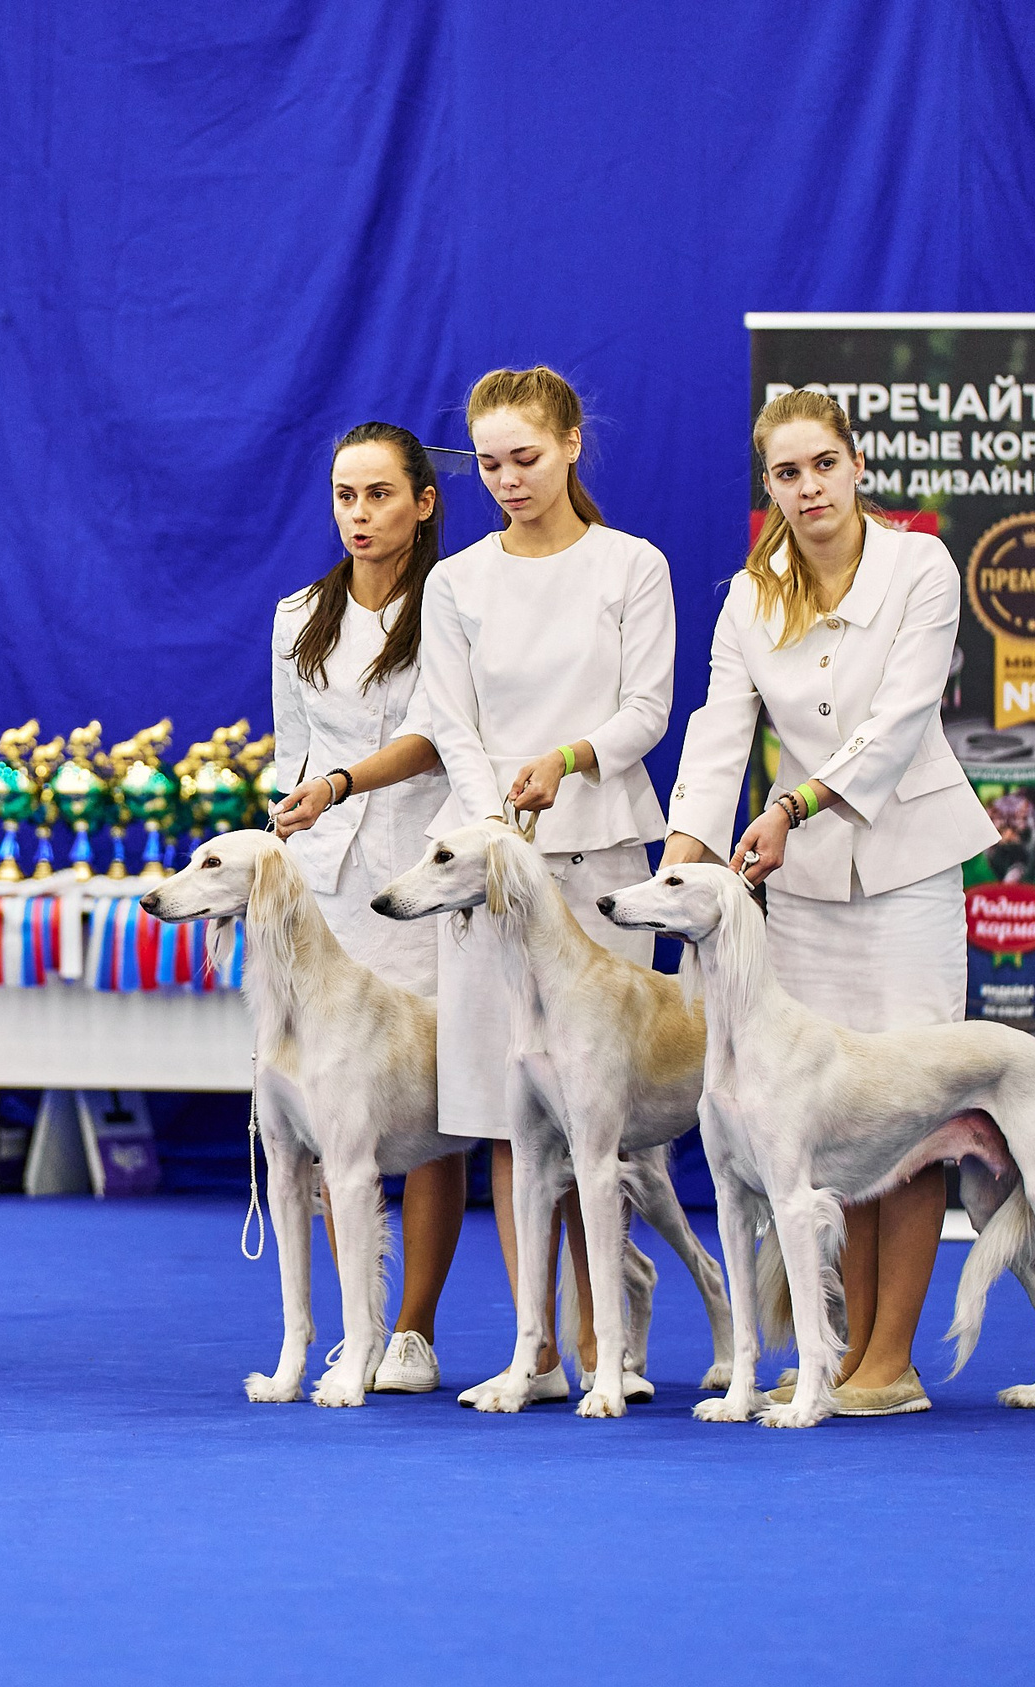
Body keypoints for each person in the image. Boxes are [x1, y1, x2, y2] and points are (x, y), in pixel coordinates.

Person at [277, 368, 674, 1405]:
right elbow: (446, 718)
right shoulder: (457, 584)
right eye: (490, 462)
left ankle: (610, 1347)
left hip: (599, 861)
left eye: (525, 459)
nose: (507, 479)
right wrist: (494, 811)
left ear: (574, 444)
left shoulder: (633, 566)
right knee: (502, 1113)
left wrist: (572, 757)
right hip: (483, 868)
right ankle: (533, 1351)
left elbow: (648, 711)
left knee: (604, 1121)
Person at [661, 386, 995, 1418]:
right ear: (766, 485)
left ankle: (890, 1362)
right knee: (832, 1120)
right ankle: (842, 1354)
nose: (806, 488)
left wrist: (796, 801)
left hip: (907, 871)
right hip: (798, 893)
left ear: (856, 466)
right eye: (784, 473)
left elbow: (899, 721)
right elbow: (717, 737)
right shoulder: (747, 597)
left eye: (821, 466)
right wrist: (680, 866)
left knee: (911, 1106)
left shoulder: (919, 567)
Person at [263, 423, 459, 1391]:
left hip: (419, 879)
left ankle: (412, 1331)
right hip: (325, 889)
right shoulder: (298, 612)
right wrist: (285, 830)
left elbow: (438, 740)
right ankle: (356, 1326)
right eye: (345, 495)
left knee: (426, 1108)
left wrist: (338, 784)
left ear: (422, 502)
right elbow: (287, 749)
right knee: (332, 1119)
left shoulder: (456, 604)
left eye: (379, 494)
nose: (360, 514)